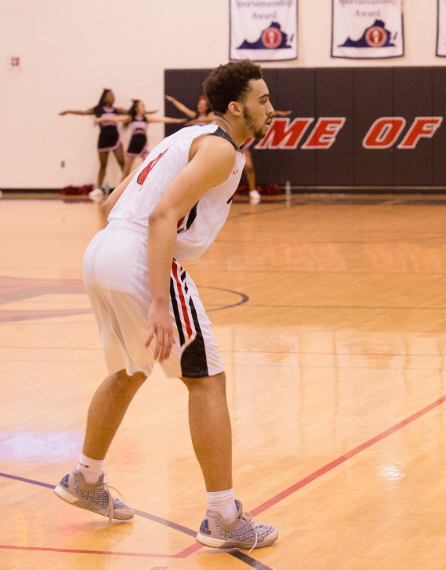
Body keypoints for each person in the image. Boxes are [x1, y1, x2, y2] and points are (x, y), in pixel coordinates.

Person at [54, 60, 279, 550]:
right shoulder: (219, 149)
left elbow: (115, 202)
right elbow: (162, 216)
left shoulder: (182, 138)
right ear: (237, 107)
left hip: (104, 248)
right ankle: (223, 517)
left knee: (132, 369)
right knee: (208, 381)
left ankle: (85, 480)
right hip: (139, 253)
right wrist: (158, 299)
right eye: (262, 99)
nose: (271, 106)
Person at [60, 88, 126, 191]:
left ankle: (129, 186)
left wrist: (144, 111)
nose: (113, 97)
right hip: (104, 139)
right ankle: (98, 188)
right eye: (110, 96)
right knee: (103, 165)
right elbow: (83, 112)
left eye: (113, 96)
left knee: (122, 162)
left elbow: (131, 113)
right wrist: (69, 111)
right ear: (104, 98)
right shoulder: (98, 110)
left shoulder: (116, 110)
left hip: (115, 138)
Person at [106, 99, 185, 179]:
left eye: (144, 105)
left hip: (143, 145)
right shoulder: (131, 118)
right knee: (126, 170)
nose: (144, 107)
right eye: (142, 105)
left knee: (150, 167)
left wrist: (177, 120)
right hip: (133, 144)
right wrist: (101, 119)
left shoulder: (146, 119)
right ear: (136, 108)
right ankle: (120, 191)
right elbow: (116, 119)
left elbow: (162, 119)